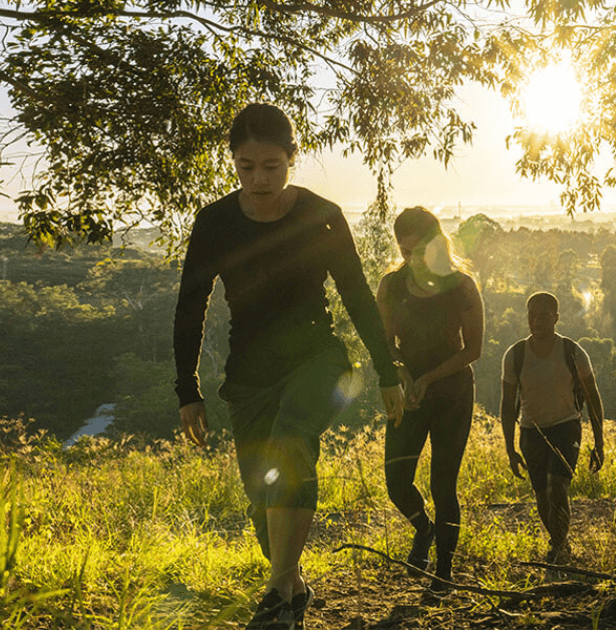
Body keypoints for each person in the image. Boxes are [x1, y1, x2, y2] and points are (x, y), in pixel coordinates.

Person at [174, 103, 405, 630]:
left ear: (291, 161)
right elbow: (191, 307)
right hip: (249, 374)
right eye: (246, 167)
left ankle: (276, 591)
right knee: (263, 500)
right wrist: (188, 389)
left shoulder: (320, 214)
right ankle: (292, 586)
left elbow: (356, 295)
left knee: (291, 440)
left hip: (316, 359)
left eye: (271, 166)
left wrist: (386, 371)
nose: (258, 179)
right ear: (233, 163)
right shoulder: (214, 223)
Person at [375, 207, 483, 592]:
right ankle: (424, 529)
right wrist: (402, 374)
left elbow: (473, 349)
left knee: (443, 485)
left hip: (452, 391)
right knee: (396, 479)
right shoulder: (391, 286)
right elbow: (383, 343)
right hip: (410, 393)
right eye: (405, 252)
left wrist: (430, 377)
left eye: (419, 251)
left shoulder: (462, 286)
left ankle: (444, 572)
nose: (412, 259)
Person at [499, 292, 605, 564]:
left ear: (556, 318)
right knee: (542, 498)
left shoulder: (573, 351)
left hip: (565, 428)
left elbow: (593, 399)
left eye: (543, 315)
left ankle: (558, 547)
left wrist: (599, 443)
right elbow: (507, 405)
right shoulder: (515, 355)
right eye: (531, 315)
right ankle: (561, 542)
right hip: (530, 432)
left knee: (558, 488)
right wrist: (510, 449)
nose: (536, 321)